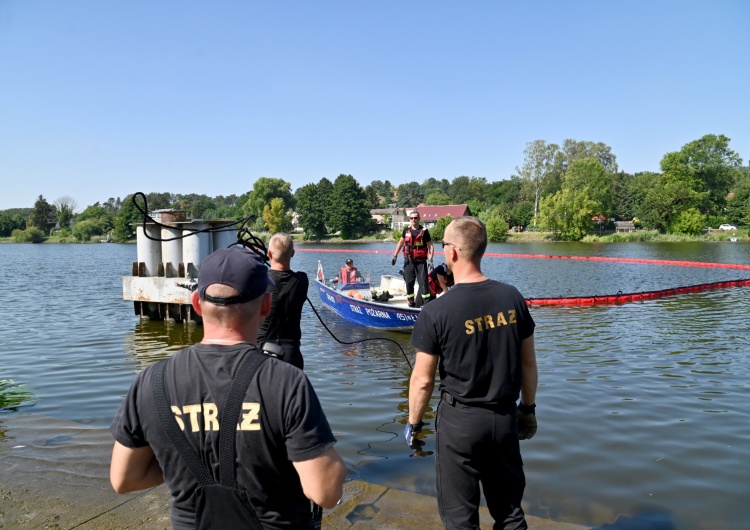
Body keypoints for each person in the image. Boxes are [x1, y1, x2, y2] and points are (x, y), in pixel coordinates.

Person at [110, 247, 347, 529]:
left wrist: (182, 460)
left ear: (196, 303)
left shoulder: (151, 381)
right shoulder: (286, 382)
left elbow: (124, 479)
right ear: (266, 305)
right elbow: (325, 493)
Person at [407, 216, 538, 530]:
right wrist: (528, 410)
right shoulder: (512, 298)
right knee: (509, 513)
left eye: (443, 247)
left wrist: (414, 424)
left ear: (452, 253)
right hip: (504, 419)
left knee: (460, 519)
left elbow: (423, 380)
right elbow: (528, 364)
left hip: (460, 423)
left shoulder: (435, 311)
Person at [257, 233, 309, 370]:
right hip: (292, 353)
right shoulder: (302, 281)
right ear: (292, 253)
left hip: (263, 351)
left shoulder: (259, 281)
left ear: (269, 253)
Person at [392, 211, 434, 307]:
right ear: (409, 219)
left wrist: (430, 259)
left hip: (421, 262)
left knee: (423, 284)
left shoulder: (424, 231)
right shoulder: (406, 231)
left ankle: (427, 304)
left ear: (419, 219)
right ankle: (411, 302)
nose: (413, 220)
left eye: (415, 218)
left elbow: (430, 246)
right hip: (409, 261)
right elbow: (401, 242)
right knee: (409, 283)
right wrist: (395, 255)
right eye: (411, 218)